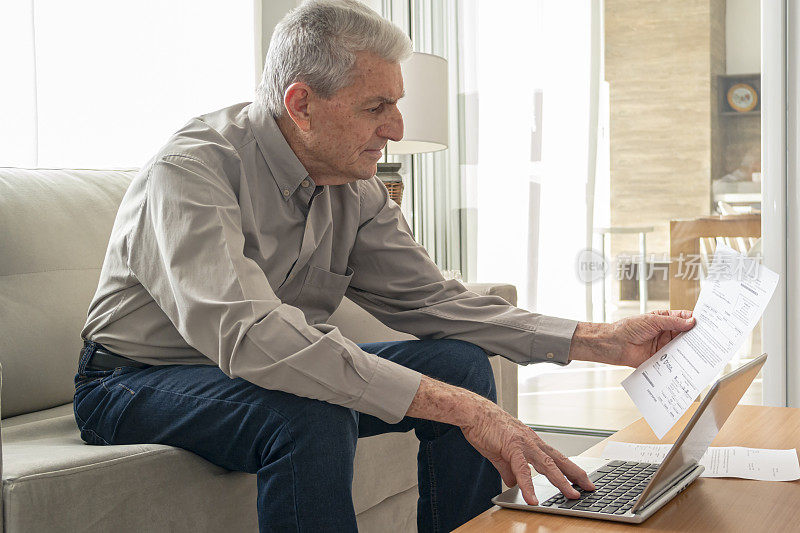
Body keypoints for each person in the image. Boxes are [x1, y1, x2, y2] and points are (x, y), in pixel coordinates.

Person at [73, 1, 695, 531]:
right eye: (377, 107)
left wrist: (599, 341)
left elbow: (434, 303)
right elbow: (254, 338)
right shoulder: (193, 171)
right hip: (134, 382)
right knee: (309, 409)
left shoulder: (355, 185)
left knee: (458, 362)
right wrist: (466, 409)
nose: (395, 128)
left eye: (396, 105)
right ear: (301, 103)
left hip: (249, 371)